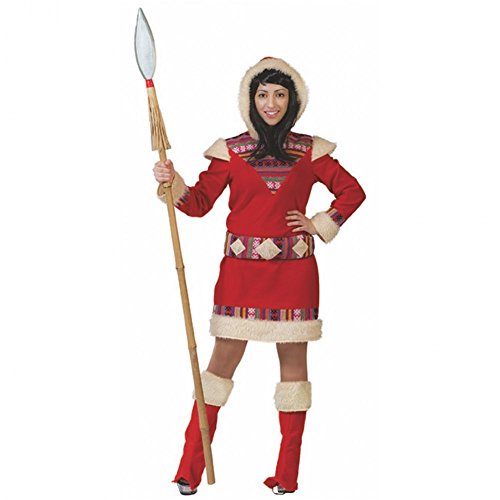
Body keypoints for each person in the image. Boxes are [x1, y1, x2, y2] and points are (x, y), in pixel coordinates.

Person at [153, 57, 366, 496]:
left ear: (293, 100)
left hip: (294, 277)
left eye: (280, 94)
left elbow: (352, 191)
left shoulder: (311, 151)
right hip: (241, 276)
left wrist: (319, 222)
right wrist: (173, 182)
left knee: (294, 372)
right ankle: (190, 467)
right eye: (263, 94)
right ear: (250, 100)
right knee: (218, 369)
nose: (271, 103)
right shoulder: (231, 152)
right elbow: (198, 203)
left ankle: (286, 475)